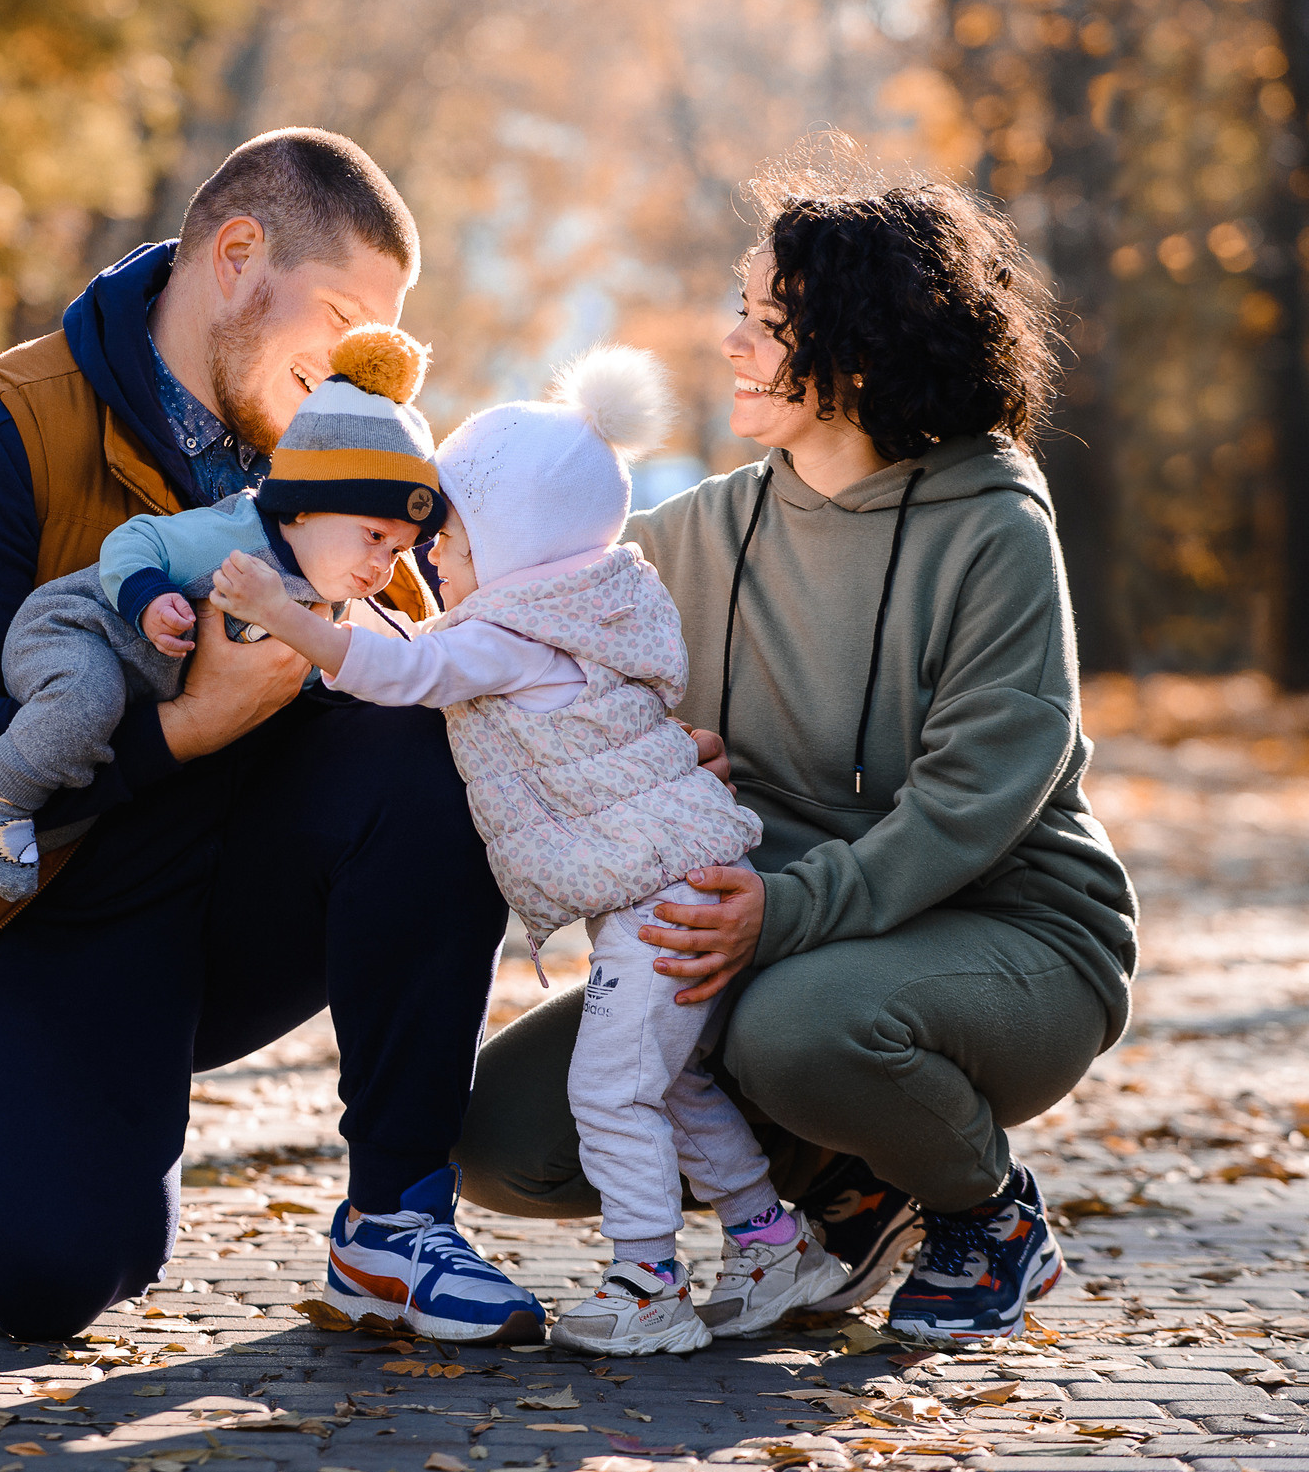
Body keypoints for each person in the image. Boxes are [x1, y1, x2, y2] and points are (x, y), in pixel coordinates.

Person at [0, 128, 543, 1346]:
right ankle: (39, 1122)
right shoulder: (1, 433)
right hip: (19, 926)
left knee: (435, 749)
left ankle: (395, 1222)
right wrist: (190, 722)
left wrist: (629, 747)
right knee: (61, 1274)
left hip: (218, 914)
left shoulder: (339, 466)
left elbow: (462, 667)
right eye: (337, 315)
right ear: (236, 255)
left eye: (380, 338)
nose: (360, 367)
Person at [452, 151, 1141, 1344]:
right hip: (772, 936)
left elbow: (976, 802)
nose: (732, 343)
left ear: (861, 355)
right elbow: (514, 598)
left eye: (768, 324)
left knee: (799, 1033)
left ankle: (986, 1211)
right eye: (740, 311)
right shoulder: (703, 534)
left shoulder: (991, 526)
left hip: (1011, 936)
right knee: (506, 1140)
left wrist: (780, 913)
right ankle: (851, 1185)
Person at [212, 345, 852, 1355]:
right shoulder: (598, 606)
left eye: (453, 540)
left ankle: (647, 1289)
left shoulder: (512, 634)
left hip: (660, 900)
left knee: (611, 1089)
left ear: (512, 542)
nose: (432, 562)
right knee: (674, 1081)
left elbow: (397, 669)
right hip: (678, 878)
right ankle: (773, 1244)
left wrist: (285, 618)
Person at [0, 324, 448, 941]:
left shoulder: (328, 600)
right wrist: (147, 598)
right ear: (305, 504)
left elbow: (387, 648)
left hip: (134, 698)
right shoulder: (236, 536)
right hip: (75, 633)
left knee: (80, 806)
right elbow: (135, 540)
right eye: (375, 538)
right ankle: (0, 802)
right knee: (86, 705)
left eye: (401, 549)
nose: (383, 567)